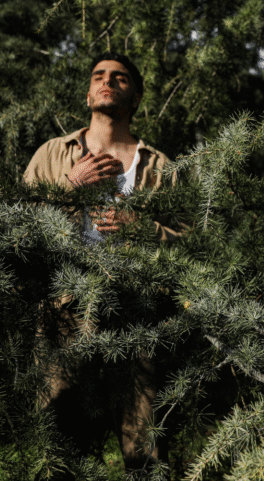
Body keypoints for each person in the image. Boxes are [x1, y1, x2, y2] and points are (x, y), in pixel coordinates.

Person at [23, 52, 176, 472]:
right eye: (99, 76)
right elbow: (18, 230)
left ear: (135, 96)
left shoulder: (160, 166)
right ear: (89, 93)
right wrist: (68, 188)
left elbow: (189, 245)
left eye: (120, 78)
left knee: (145, 456)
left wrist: (139, 227)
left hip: (137, 320)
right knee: (57, 452)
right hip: (62, 318)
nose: (107, 81)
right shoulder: (54, 154)